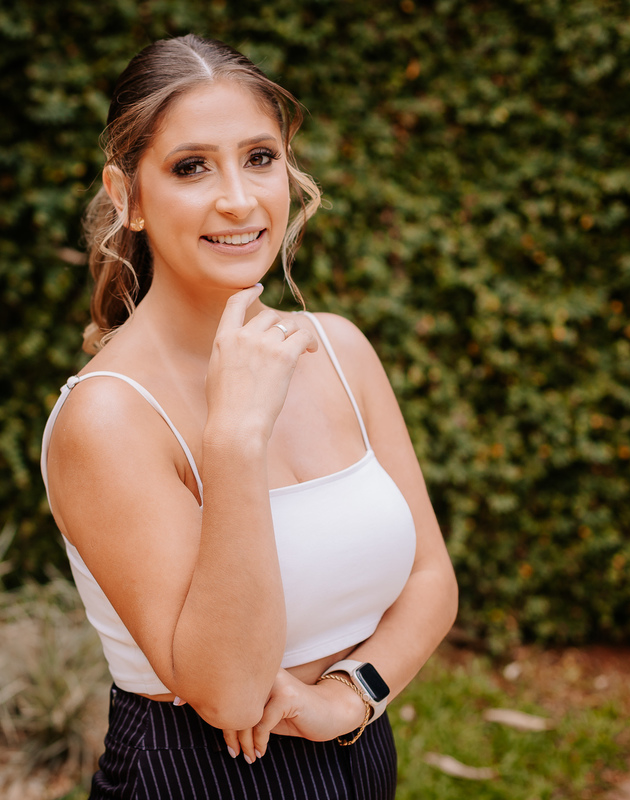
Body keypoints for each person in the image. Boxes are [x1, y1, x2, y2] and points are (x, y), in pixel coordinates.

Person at [40, 34, 458, 799]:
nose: (238, 198)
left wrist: (351, 696)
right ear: (127, 196)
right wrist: (234, 436)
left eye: (259, 157)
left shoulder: (339, 348)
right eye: (191, 167)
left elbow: (432, 579)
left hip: (360, 755)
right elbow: (229, 694)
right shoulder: (108, 418)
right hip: (197, 774)